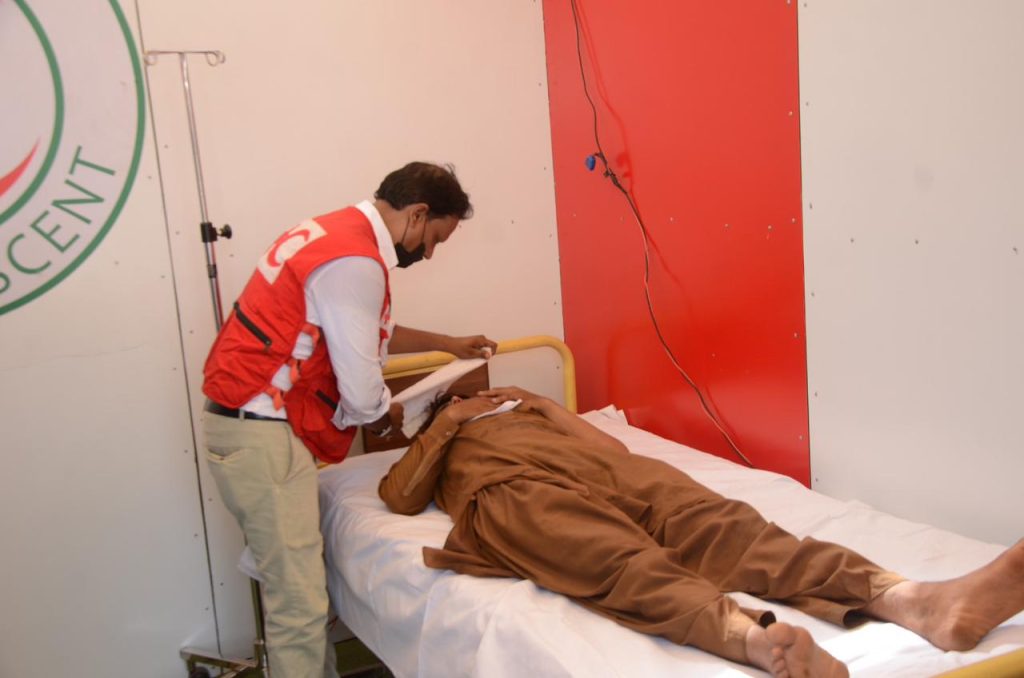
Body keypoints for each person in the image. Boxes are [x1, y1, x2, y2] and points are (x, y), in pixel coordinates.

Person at [379, 386, 1024, 678]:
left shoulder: (537, 414)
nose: (489, 398)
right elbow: (397, 497)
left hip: (614, 473)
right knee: (621, 561)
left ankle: (914, 600)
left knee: (737, 530)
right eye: (469, 395)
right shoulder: (446, 442)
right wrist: (452, 419)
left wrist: (547, 406)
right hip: (517, 492)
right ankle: (754, 641)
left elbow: (613, 448)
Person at [201, 161, 497, 678]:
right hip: (261, 434)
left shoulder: (331, 234)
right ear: (418, 213)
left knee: (297, 598)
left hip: (248, 426)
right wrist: (387, 409)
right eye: (435, 239)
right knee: (298, 607)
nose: (428, 254)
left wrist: (446, 345)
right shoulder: (355, 261)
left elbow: (365, 326)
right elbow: (362, 397)